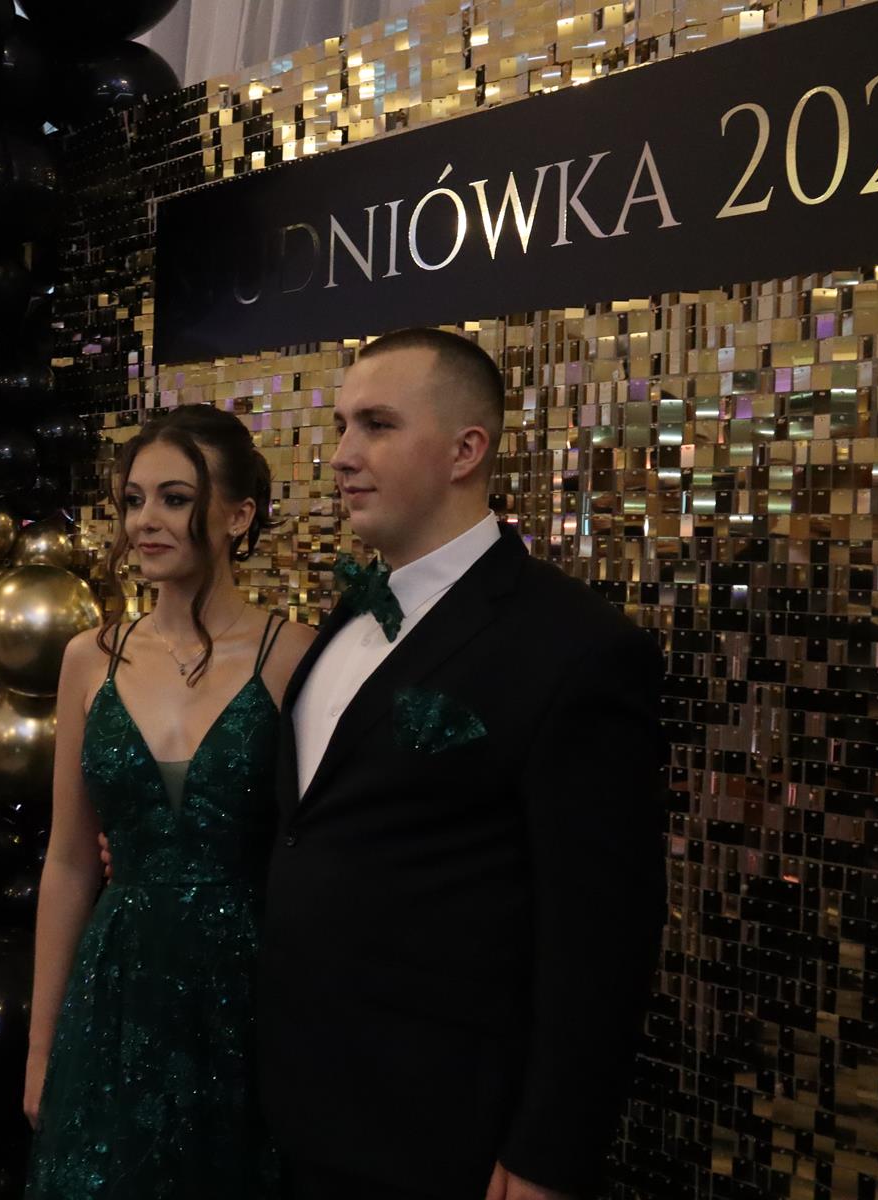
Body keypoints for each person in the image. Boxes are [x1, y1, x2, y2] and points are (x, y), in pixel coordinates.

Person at [261, 328, 667, 1200]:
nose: (342, 455)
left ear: (465, 450)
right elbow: (312, 830)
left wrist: (549, 1153)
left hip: (442, 1130)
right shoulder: (345, 617)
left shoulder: (578, 648)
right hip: (294, 1105)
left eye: (377, 425)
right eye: (341, 426)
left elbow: (600, 937)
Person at [23, 403, 314, 1198]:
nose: (145, 521)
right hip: (116, 991)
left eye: (175, 499)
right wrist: (42, 1048)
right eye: (134, 500)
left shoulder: (293, 654)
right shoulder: (90, 658)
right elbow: (69, 863)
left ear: (238, 515)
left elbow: (319, 851)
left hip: (247, 991)